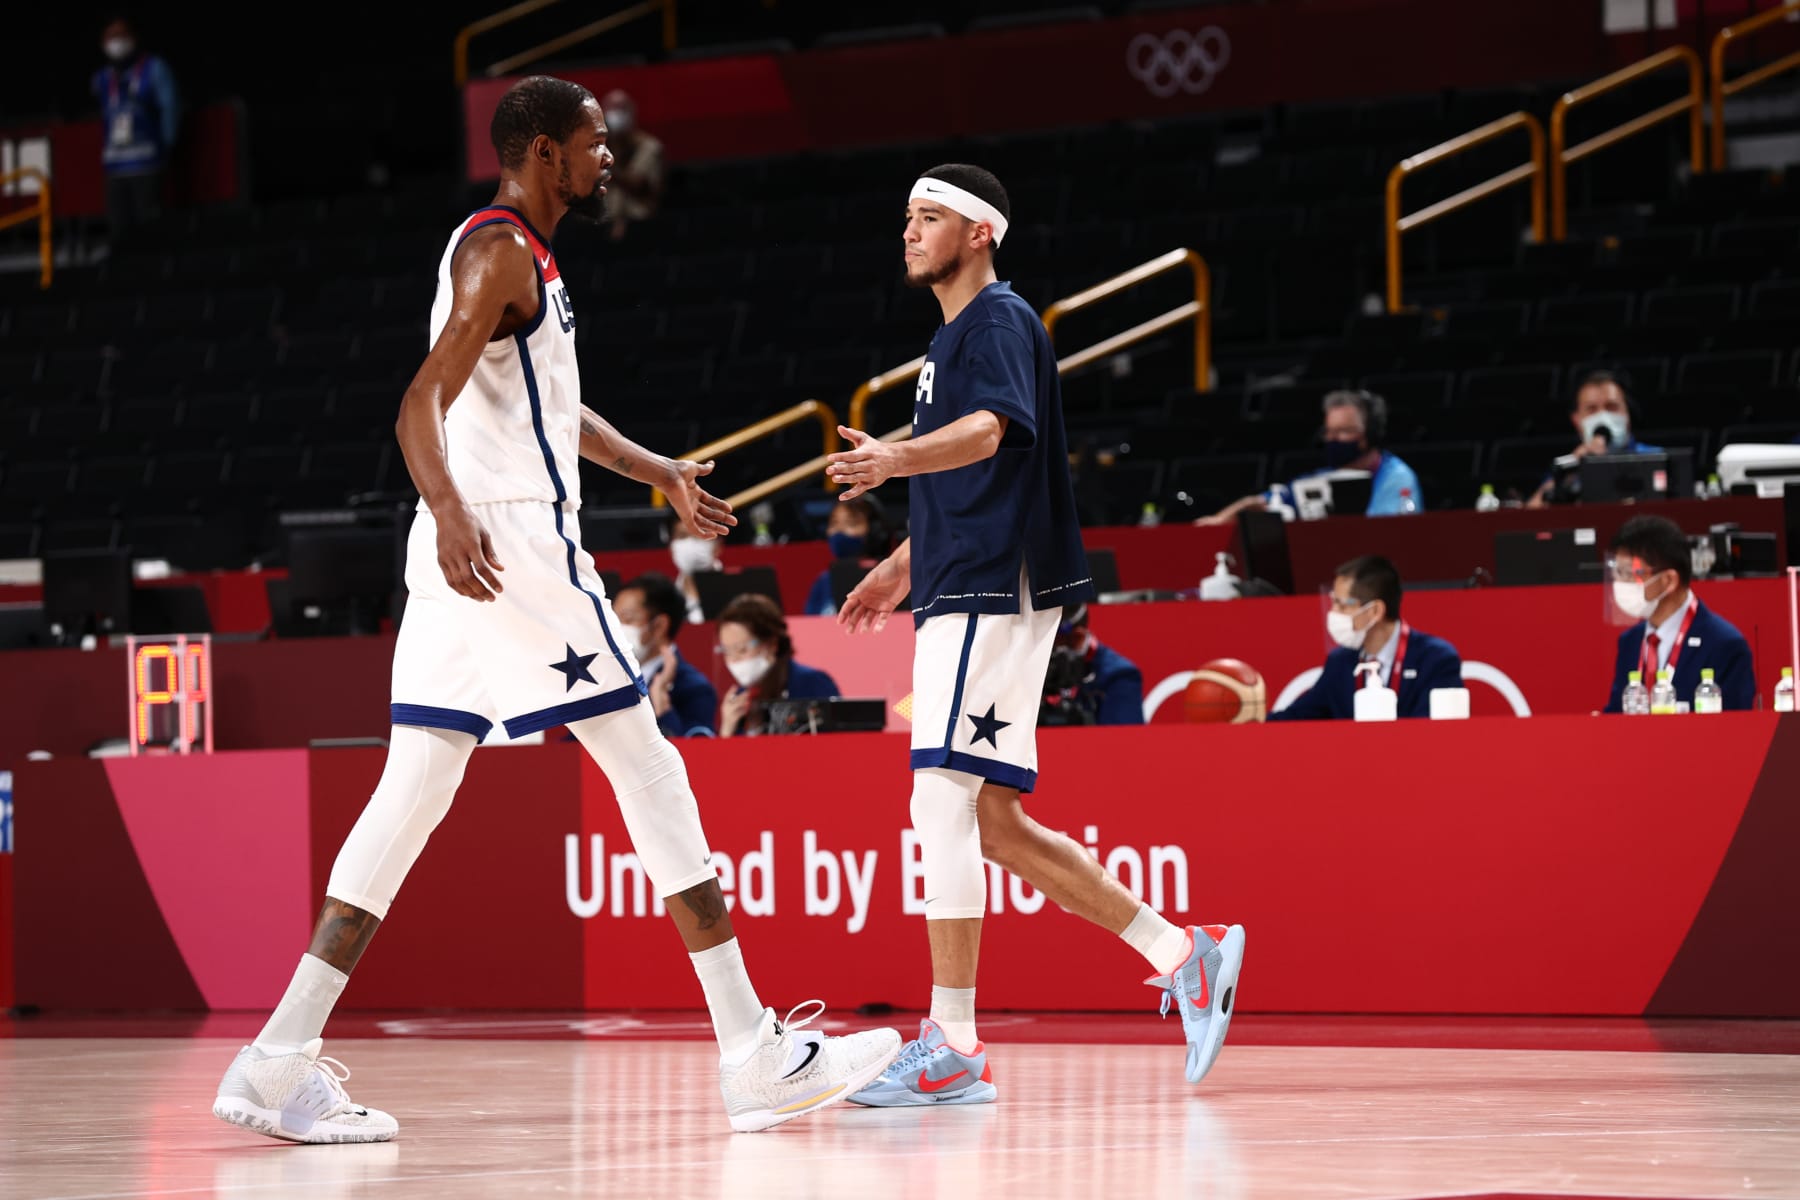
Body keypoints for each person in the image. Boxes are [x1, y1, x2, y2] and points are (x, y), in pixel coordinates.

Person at [210, 76, 897, 1145]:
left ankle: (275, 1059)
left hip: (466, 548)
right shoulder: (498, 254)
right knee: (650, 768)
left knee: (412, 795)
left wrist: (657, 466)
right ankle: (751, 1053)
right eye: (591, 143)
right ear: (539, 151)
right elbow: (417, 401)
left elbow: (550, 405)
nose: (608, 158)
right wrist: (448, 508)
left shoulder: (509, 256)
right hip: (508, 540)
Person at [828, 162, 1244, 1104]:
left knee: (939, 799)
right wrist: (902, 563)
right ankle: (1185, 952)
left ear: (979, 232)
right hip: (961, 579)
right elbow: (971, 472)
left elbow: (988, 433)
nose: (909, 231)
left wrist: (894, 458)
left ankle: (955, 1045)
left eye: (928, 217)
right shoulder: (949, 338)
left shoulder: (1000, 320)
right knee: (992, 820)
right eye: (905, 217)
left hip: (990, 587)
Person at [1269, 555, 1463, 721]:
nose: (1333, 612)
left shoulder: (1435, 659)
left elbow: (1435, 731)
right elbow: (1298, 716)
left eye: (1342, 605)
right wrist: (1250, 721)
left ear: (1375, 611)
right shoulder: (1340, 662)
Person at [1196, 390, 1421, 524]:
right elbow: (1263, 502)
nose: (1332, 439)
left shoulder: (1396, 478)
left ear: (1369, 434)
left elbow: (1387, 534)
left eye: (1342, 431)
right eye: (1329, 432)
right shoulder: (1326, 477)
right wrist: (1220, 520)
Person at [1602, 515, 1754, 712]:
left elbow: (1739, 726)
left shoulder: (1723, 644)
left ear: (1668, 580)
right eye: (1617, 572)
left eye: (1629, 574)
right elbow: (1616, 716)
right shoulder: (1630, 642)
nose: (1620, 583)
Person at [92, 15, 180, 238]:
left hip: (147, 164)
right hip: (115, 168)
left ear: (133, 38)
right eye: (111, 36)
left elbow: (170, 109)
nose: (116, 41)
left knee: (149, 229)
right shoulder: (101, 78)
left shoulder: (154, 68)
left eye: (121, 35)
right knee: (119, 230)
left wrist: (167, 145)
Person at [1528, 371, 1662, 508]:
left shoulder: (1657, 458)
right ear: (1576, 420)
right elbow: (1531, 516)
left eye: (1612, 407)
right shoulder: (1567, 470)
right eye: (1592, 409)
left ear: (1627, 413)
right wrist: (1572, 469)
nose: (1603, 416)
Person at [715, 593, 839, 737]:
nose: (734, 660)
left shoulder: (811, 683)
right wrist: (726, 730)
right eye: (727, 652)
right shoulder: (739, 701)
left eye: (742, 650)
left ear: (772, 644)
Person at [613, 571, 717, 737]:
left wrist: (664, 708)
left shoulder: (694, 688)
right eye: (613, 620)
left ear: (660, 626)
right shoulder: (611, 680)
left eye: (627, 619)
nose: (615, 629)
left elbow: (699, 752)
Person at [1040, 602, 1145, 726]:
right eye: (1056, 641)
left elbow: (1124, 738)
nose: (1062, 648)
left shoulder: (1119, 675)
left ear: (1084, 633)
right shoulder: (1030, 670)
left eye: (1073, 640)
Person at [803, 495, 891, 616]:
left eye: (851, 523)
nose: (839, 531)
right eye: (834, 523)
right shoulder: (823, 581)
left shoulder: (890, 577)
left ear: (875, 531)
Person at [600, 88, 664, 242]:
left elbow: (639, 185)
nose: (616, 115)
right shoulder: (595, 149)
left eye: (621, 109)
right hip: (601, 227)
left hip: (641, 227)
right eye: (611, 109)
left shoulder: (649, 147)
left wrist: (609, 166)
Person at [669, 520, 721, 624]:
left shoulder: (740, 595)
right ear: (671, 547)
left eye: (699, 536)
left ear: (718, 545)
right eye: (682, 536)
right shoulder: (666, 600)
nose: (691, 544)